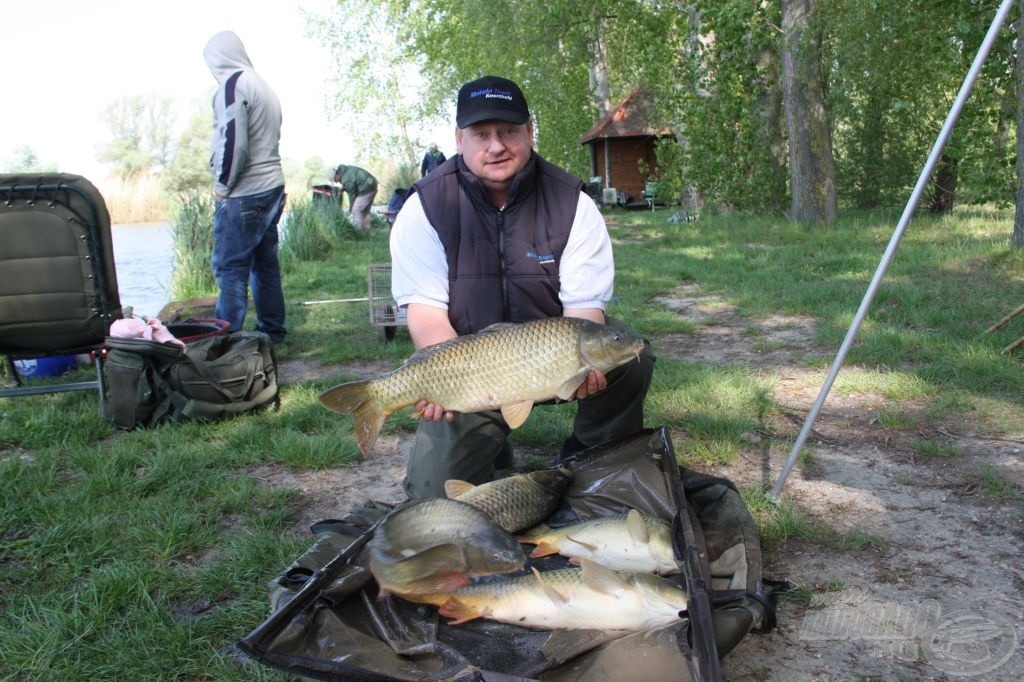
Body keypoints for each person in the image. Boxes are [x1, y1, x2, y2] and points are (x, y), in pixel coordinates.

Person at [390, 75, 654, 499]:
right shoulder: (425, 207)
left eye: (509, 131)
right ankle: (488, 449)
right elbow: (425, 312)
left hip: (550, 353)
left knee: (629, 354)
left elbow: (585, 310)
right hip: (470, 362)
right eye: (481, 134)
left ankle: (593, 459)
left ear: (529, 132)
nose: (496, 146)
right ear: (459, 139)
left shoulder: (572, 202)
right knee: (432, 497)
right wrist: (440, 381)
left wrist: (584, 367)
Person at [204, 30, 287, 345]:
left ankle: (224, 342)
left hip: (244, 191)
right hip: (272, 187)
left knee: (231, 270)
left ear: (217, 59)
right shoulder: (264, 87)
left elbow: (233, 140)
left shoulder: (233, 85)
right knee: (265, 265)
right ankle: (273, 331)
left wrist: (222, 186)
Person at [333, 164, 378, 232]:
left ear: (337, 175)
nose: (336, 182)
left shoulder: (346, 179)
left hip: (366, 188)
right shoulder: (345, 170)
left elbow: (352, 196)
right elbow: (353, 182)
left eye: (334, 180)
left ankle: (358, 232)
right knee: (364, 211)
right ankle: (367, 231)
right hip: (372, 184)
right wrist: (344, 188)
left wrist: (350, 209)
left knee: (356, 210)